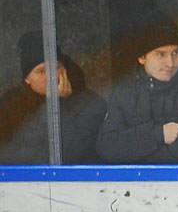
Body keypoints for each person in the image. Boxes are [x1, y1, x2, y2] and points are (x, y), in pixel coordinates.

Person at [97, 12, 178, 163]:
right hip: (137, 180)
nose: (170, 63)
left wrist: (134, 158)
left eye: (175, 53)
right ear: (142, 57)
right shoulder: (125, 93)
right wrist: (158, 135)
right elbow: (107, 148)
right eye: (160, 54)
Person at [0, 31, 107, 164]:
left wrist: (56, 104)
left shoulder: (90, 102)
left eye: (56, 67)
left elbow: (70, 154)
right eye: (41, 71)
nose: (51, 75)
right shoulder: (11, 104)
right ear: (27, 79)